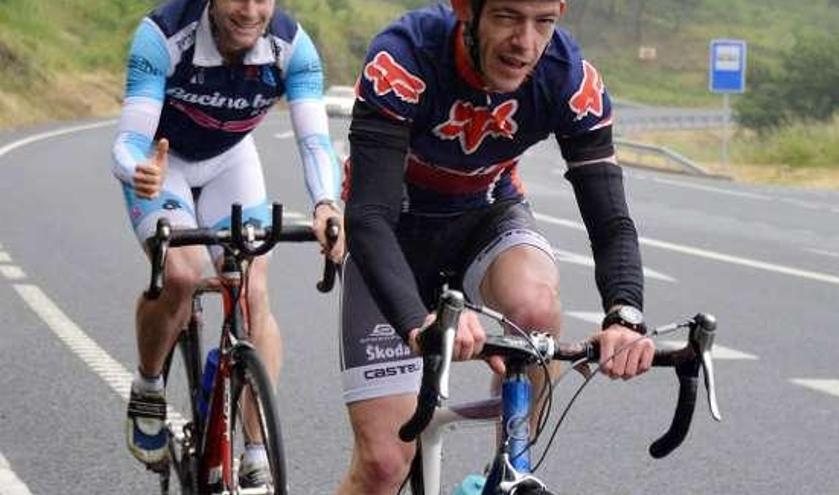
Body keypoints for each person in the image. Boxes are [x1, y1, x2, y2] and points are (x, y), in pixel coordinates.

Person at [338, 0, 655, 493]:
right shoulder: (405, 57)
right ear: (468, 10)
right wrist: (416, 323)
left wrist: (625, 316)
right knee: (383, 464)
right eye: (508, 16)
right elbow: (368, 217)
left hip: (486, 215)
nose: (525, 43)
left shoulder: (567, 78)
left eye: (544, 22)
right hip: (394, 234)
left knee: (537, 308)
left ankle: (506, 472)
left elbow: (611, 221)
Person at [113, 0, 344, 484]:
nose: (250, 9)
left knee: (252, 290)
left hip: (230, 164)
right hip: (163, 167)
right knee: (180, 273)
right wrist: (140, 169)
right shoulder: (163, 34)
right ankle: (149, 383)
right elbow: (131, 138)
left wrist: (324, 203)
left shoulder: (292, 47)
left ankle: (257, 450)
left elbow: (315, 141)